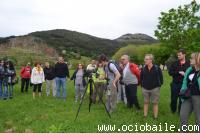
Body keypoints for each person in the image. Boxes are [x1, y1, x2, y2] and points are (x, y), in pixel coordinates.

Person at [180, 52, 200, 133]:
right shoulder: (190, 69)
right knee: (183, 115)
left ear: (197, 60)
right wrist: (183, 91)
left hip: (198, 97)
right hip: (188, 96)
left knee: (198, 118)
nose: (190, 60)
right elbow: (185, 82)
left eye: (192, 58)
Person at [140, 54, 163, 119]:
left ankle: (155, 117)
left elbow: (161, 77)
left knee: (155, 103)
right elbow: (141, 77)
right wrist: (142, 85)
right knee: (145, 102)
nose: (145, 60)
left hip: (155, 88)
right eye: (145, 59)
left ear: (151, 60)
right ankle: (145, 115)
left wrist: (159, 85)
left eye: (147, 59)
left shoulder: (157, 68)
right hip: (145, 88)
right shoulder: (143, 68)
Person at [168, 49, 190, 113]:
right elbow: (170, 72)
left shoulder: (189, 63)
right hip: (175, 84)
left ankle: (180, 112)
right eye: (178, 55)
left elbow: (192, 73)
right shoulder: (175, 63)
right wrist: (178, 72)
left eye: (180, 55)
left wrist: (185, 74)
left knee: (182, 99)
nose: (178, 56)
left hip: (184, 84)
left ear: (184, 55)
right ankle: (173, 110)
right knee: (173, 99)